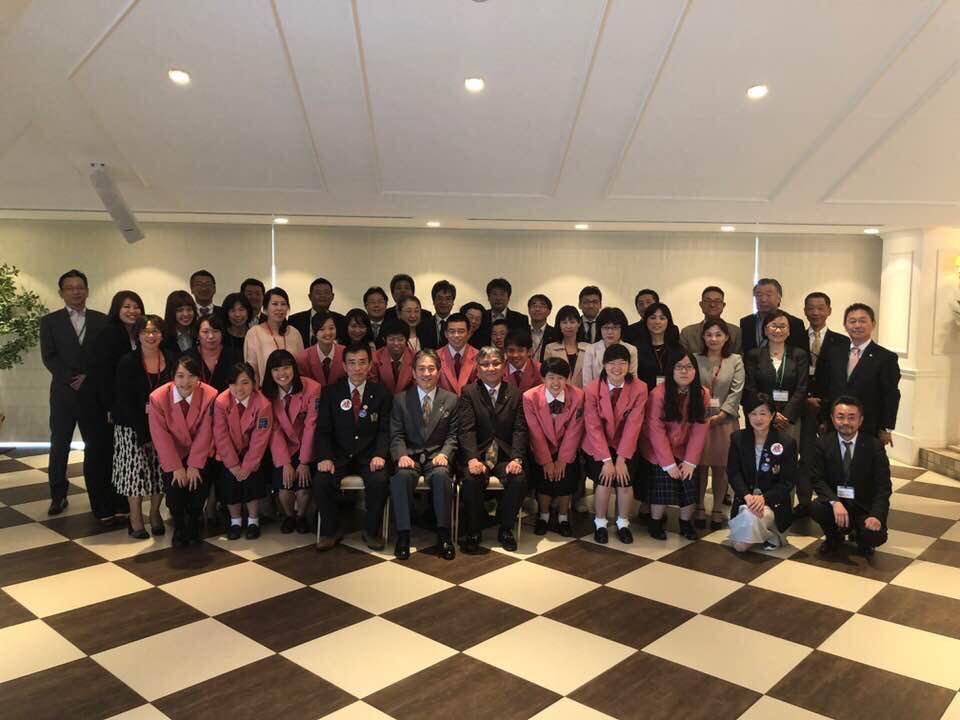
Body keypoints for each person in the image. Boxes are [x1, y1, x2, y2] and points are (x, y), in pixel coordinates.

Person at [39, 269, 107, 515]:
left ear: (87, 291)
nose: (76, 292)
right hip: (63, 394)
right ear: (61, 293)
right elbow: (49, 357)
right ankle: (58, 495)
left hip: (93, 394)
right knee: (60, 444)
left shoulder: (102, 320)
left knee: (96, 446)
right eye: (70, 288)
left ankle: (99, 496)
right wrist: (70, 378)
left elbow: (105, 355)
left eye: (80, 287)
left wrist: (88, 377)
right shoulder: (50, 322)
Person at [314, 344, 392, 550]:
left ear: (370, 365)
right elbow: (323, 430)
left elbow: (385, 430)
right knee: (322, 480)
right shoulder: (331, 392)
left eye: (362, 362)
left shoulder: (381, 393)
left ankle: (371, 531)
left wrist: (380, 454)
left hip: (369, 455)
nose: (357, 368)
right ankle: (330, 531)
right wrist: (325, 457)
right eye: (352, 363)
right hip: (339, 455)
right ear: (344, 366)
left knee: (380, 480)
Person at [389, 349, 459, 561]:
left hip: (437, 457)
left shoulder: (451, 400)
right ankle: (403, 535)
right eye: (421, 369)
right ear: (413, 372)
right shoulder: (401, 400)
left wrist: (445, 454)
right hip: (410, 456)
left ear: (439, 371)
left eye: (431, 369)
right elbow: (396, 434)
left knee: (441, 477)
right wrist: (401, 455)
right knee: (401, 477)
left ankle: (444, 535)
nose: (426, 373)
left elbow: (453, 435)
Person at [457, 346, 528, 553]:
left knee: (519, 479)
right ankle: (474, 529)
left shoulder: (516, 394)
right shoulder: (469, 392)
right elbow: (466, 429)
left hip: (505, 455)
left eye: (496, 363)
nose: (491, 368)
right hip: (478, 454)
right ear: (478, 368)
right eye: (485, 364)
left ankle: (505, 528)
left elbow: (520, 429)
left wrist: (517, 459)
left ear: (504, 366)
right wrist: (471, 458)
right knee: (471, 479)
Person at [111, 315, 173, 539]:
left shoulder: (172, 359)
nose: (151, 336)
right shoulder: (128, 361)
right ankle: (135, 518)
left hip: (163, 426)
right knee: (134, 473)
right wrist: (144, 433)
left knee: (160, 471)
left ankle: (155, 513)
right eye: (146, 332)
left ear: (162, 334)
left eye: (155, 331)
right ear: (137, 335)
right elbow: (125, 401)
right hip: (131, 426)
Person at [87, 290, 144, 525]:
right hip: (101, 404)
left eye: (136, 306)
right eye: (126, 307)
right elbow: (103, 373)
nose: (132, 311)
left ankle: (121, 503)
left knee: (119, 455)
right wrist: (110, 406)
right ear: (116, 309)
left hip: (124, 405)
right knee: (100, 453)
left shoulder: (139, 333)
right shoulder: (109, 333)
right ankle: (102, 506)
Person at [639, 351, 710, 540]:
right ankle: (655, 522)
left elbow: (700, 429)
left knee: (689, 482)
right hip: (658, 449)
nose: (684, 371)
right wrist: (668, 464)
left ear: (695, 370)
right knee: (662, 483)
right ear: (670, 370)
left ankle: (685, 523)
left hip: (685, 448)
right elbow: (655, 430)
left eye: (689, 367)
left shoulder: (703, 393)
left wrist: (690, 461)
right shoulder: (658, 394)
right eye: (679, 367)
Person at [148, 355, 218, 547]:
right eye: (180, 376)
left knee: (198, 487)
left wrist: (194, 464)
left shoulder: (210, 395)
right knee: (175, 491)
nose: (185, 382)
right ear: (172, 377)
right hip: (173, 453)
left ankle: (194, 524)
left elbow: (206, 431)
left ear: (198, 378)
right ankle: (179, 526)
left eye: (191, 376)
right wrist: (176, 466)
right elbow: (160, 435)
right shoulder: (158, 398)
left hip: (199, 451)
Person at [810, 396, 891, 556]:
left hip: (863, 505)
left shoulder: (874, 446)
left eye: (851, 417)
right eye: (840, 417)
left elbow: (883, 487)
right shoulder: (823, 444)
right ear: (832, 419)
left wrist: (876, 515)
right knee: (816, 508)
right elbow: (817, 479)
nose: (845, 422)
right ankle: (833, 537)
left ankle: (862, 539)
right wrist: (835, 502)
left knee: (875, 535)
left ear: (861, 420)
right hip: (837, 503)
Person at [582, 343, 647, 544]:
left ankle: (623, 523)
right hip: (598, 444)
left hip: (626, 443)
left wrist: (621, 459)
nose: (617, 368)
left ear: (629, 365)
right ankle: (600, 522)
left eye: (622, 363)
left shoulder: (640, 387)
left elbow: (634, 425)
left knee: (625, 479)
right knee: (605, 479)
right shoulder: (592, 389)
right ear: (604, 365)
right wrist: (607, 460)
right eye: (612, 363)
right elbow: (593, 426)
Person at [816, 303, 901, 445]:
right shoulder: (834, 352)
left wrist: (886, 428)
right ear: (845, 325)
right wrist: (823, 418)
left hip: (869, 425)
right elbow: (826, 387)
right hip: (835, 424)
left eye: (862, 321)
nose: (857, 325)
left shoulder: (886, 358)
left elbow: (891, 395)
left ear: (873, 324)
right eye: (852, 321)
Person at [797, 292, 848, 516]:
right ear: (804, 311)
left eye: (820, 308)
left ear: (829, 310)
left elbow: (842, 379)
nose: (815, 312)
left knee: (833, 457)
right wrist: (804, 399)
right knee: (805, 457)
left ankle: (833, 502)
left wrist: (827, 407)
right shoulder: (796, 338)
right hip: (802, 407)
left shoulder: (842, 342)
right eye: (811, 308)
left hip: (831, 409)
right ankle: (804, 502)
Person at [727, 394, 797, 552]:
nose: (758, 418)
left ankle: (773, 532)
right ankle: (764, 534)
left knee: (740, 545)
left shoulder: (786, 443)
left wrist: (763, 498)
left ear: (772, 415)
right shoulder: (738, 438)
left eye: (763, 413)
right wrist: (747, 496)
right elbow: (733, 473)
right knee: (740, 545)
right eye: (753, 413)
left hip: (772, 503)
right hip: (747, 500)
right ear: (747, 415)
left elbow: (788, 482)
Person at [524, 357, 585, 537]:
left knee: (567, 478)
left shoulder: (578, 395)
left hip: (566, 447)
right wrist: (546, 461)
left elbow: (574, 430)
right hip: (541, 447)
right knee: (543, 480)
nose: (556, 382)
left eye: (560, 378)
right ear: (543, 378)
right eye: (551, 377)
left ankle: (563, 517)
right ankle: (543, 515)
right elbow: (534, 431)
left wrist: (562, 460)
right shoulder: (530, 397)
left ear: (567, 379)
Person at [213, 362, 273, 540]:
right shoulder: (221, 401)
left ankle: (253, 520)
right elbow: (220, 435)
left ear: (254, 383)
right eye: (234, 383)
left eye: (245, 382)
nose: (239, 388)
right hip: (228, 453)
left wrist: (247, 466)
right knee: (229, 480)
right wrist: (233, 465)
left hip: (251, 452)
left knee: (252, 478)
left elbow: (260, 439)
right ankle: (235, 521)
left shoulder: (263, 404)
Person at [695, 319, 744, 530]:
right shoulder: (695, 359)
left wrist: (722, 415)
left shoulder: (735, 360)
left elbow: (737, 390)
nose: (713, 339)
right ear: (703, 337)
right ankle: (698, 506)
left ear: (726, 337)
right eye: (709, 334)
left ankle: (716, 508)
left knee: (721, 467)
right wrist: (701, 415)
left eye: (718, 335)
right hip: (699, 421)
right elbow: (690, 387)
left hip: (725, 422)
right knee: (699, 466)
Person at [263, 350, 320, 534]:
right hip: (283, 448)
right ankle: (289, 516)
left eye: (286, 368)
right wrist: (285, 462)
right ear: (270, 373)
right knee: (284, 487)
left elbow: (311, 426)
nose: (282, 373)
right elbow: (274, 430)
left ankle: (301, 516)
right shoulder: (266, 394)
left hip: (306, 446)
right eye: (276, 369)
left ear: (294, 368)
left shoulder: (312, 388)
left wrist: (304, 462)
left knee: (303, 486)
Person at [743, 309, 808, 443]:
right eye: (773, 326)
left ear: (789, 331)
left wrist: (786, 415)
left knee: (789, 451)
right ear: (765, 330)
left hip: (789, 418)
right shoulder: (754, 355)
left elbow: (802, 388)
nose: (778, 330)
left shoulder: (799, 355)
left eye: (782, 326)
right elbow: (751, 387)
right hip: (762, 416)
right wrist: (769, 413)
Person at [244, 287, 304, 383]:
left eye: (283, 304)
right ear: (265, 308)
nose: (279, 308)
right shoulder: (255, 333)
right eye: (275, 304)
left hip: (292, 388)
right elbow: (252, 369)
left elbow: (301, 366)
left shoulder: (294, 333)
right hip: (265, 389)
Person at [739, 278, 808, 354]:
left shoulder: (795, 323)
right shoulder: (746, 322)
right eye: (759, 295)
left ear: (779, 298)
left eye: (768, 295)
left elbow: (799, 353)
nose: (763, 299)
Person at [632, 302, 684, 393]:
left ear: (668, 322)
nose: (657, 322)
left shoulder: (677, 349)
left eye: (662, 318)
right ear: (646, 321)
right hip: (644, 396)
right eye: (652, 318)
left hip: (672, 396)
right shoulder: (636, 349)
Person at [582, 307, 639, 385]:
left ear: (622, 328)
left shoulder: (631, 350)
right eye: (606, 327)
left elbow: (633, 379)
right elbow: (587, 382)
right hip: (596, 391)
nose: (610, 332)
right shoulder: (591, 349)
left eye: (615, 327)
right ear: (600, 329)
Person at [679, 286, 743, 355]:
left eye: (717, 301)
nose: (712, 305)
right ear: (701, 304)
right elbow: (682, 359)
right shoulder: (687, 333)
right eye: (708, 301)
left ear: (723, 305)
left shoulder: (736, 332)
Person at [188, 314, 241, 393]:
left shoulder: (235, 356)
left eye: (215, 331)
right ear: (198, 335)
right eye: (205, 332)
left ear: (222, 333)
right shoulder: (188, 357)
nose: (211, 336)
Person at [289, 278, 347, 347]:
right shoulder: (295, 321)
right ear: (310, 297)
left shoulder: (342, 320)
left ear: (332, 297)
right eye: (318, 293)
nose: (322, 296)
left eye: (326, 292)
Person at [543, 305, 590, 388]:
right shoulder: (550, 348)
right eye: (564, 322)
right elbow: (547, 376)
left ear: (579, 323)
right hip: (558, 391)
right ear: (559, 325)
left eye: (572, 322)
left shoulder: (589, 348)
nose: (568, 326)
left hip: (584, 393)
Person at [295, 311, 346, 387]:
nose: (328, 333)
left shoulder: (345, 353)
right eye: (322, 329)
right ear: (314, 332)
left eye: (331, 328)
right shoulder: (303, 358)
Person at [475, 277, 530, 347]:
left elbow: (525, 344)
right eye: (494, 294)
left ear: (508, 298)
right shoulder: (481, 317)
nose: (498, 298)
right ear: (488, 297)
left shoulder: (521, 319)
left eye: (502, 294)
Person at [438, 313, 479, 395]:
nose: (456, 335)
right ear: (445, 334)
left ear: (469, 334)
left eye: (461, 331)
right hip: (444, 402)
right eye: (452, 331)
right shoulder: (436, 357)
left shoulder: (479, 356)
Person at [372, 318, 416, 394]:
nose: (396, 343)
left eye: (400, 339)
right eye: (391, 339)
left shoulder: (415, 358)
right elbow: (373, 385)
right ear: (384, 339)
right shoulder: (375, 357)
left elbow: (417, 386)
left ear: (406, 340)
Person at [422, 279, 457, 349]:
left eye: (448, 299)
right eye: (439, 298)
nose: (443, 302)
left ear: (453, 302)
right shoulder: (423, 324)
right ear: (433, 301)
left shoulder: (458, 324)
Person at [161, 290, 197, 354]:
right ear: (171, 312)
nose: (186, 314)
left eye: (189, 309)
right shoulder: (163, 336)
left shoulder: (199, 333)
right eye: (180, 310)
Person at [528, 294, 559, 362]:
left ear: (549, 311)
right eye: (534, 306)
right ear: (529, 310)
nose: (537, 309)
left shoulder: (555, 333)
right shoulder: (522, 332)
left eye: (542, 306)